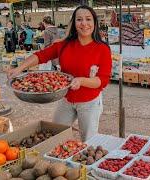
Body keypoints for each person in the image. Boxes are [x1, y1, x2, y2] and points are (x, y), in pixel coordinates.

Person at [7, 5, 112, 141]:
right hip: (66, 99)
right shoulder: (64, 45)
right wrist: (19, 68)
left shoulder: (102, 49)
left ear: (94, 23)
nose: (84, 24)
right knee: (55, 135)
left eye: (88, 19)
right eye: (79, 19)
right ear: (74, 23)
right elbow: (41, 55)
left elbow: (102, 80)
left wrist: (81, 81)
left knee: (88, 140)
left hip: (89, 102)